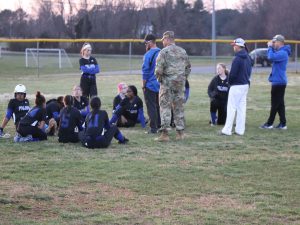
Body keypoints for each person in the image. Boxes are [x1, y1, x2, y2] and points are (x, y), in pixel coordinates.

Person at [155, 31, 191, 141]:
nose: (163, 43)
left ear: (167, 39)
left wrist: (160, 80)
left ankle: (165, 134)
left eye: (163, 40)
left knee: (165, 106)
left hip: (167, 84)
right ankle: (180, 133)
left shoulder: (164, 52)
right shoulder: (183, 51)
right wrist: (182, 79)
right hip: (179, 84)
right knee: (179, 107)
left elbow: (158, 70)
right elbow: (188, 68)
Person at [221, 38, 252, 136]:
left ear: (239, 46)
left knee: (231, 108)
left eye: (234, 45)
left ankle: (227, 130)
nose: (233, 47)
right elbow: (250, 71)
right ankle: (240, 130)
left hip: (236, 86)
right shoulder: (248, 57)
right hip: (245, 85)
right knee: (241, 109)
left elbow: (233, 74)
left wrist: (229, 83)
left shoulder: (237, 58)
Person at [260, 34, 291, 130]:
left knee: (275, 104)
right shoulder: (280, 52)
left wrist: (269, 47)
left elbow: (271, 57)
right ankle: (283, 123)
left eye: (274, 42)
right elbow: (272, 55)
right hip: (278, 81)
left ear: (280, 42)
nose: (273, 43)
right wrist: (271, 48)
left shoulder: (283, 53)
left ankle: (269, 123)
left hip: (279, 82)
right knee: (280, 104)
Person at [142, 34, 161, 134]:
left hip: (150, 84)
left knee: (151, 107)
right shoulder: (162, 52)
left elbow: (145, 71)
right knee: (158, 106)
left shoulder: (148, 55)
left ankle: (153, 128)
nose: (145, 45)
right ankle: (159, 125)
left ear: (149, 42)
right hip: (160, 84)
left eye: (146, 43)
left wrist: (143, 84)